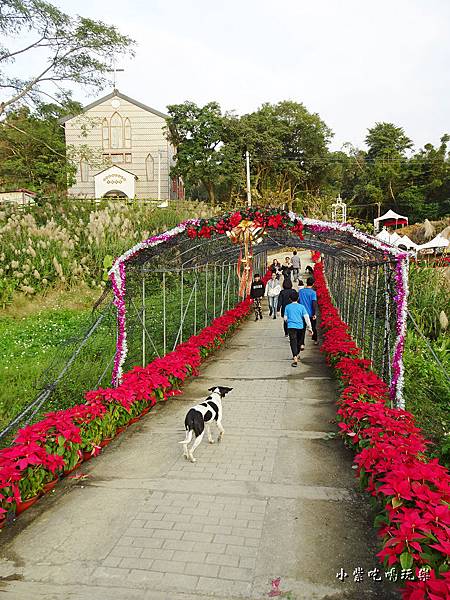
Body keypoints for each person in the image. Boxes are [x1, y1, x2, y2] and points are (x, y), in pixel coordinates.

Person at [284, 290, 313, 367]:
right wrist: (310, 328)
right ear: (298, 298)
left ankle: (295, 358)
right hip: (300, 327)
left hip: (291, 327)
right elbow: (306, 318)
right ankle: (297, 354)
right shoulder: (302, 307)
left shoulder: (287, 307)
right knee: (299, 342)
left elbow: (285, 318)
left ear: (290, 299)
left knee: (293, 342)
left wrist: (289, 321)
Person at [299, 276, 318, 345]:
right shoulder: (313, 293)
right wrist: (314, 314)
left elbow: (298, 301)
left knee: (302, 329)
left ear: (306, 283)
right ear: (313, 284)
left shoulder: (301, 291)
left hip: (302, 313)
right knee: (313, 327)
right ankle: (315, 340)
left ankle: (302, 344)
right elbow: (314, 304)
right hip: (310, 313)